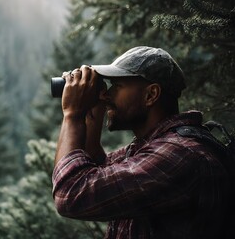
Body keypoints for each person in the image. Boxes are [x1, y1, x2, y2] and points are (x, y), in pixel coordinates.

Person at [52, 46, 230, 239]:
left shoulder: (180, 154)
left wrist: (72, 115)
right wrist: (93, 109)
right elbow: (96, 166)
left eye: (117, 86)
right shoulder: (150, 147)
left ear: (150, 95)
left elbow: (70, 194)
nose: (107, 94)